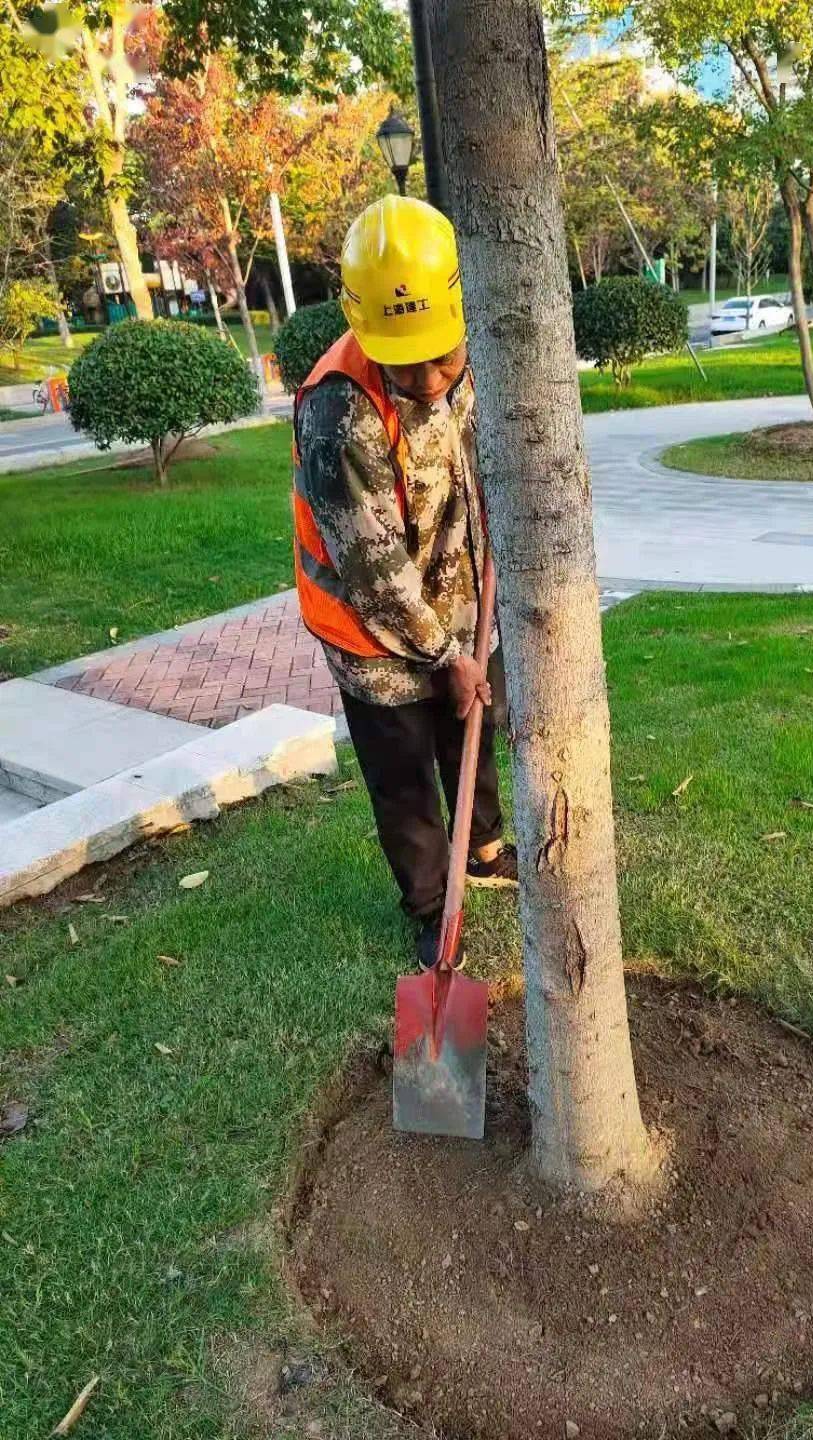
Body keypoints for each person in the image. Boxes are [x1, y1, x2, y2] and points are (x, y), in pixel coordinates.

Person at [292, 194, 517, 968]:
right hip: (372, 632)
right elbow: (374, 572)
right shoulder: (339, 411)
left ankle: (484, 850)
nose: (426, 377)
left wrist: (474, 641)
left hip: (455, 603)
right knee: (404, 773)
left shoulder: (473, 357)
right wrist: (443, 657)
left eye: (442, 355)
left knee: (471, 730)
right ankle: (429, 904)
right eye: (405, 358)